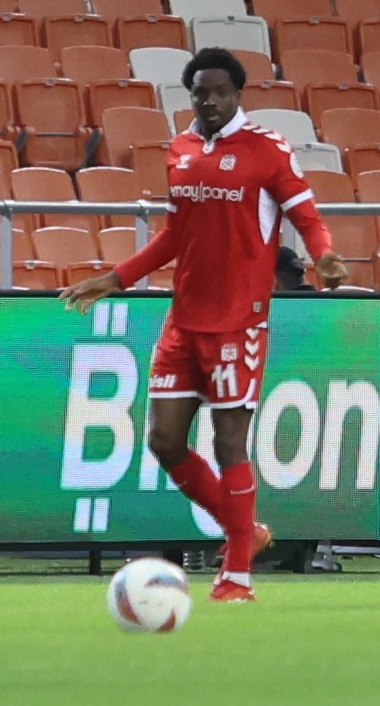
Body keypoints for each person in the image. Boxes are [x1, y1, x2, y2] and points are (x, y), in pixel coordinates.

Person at [59, 48, 348, 604]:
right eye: (200, 92)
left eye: (220, 91)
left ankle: (236, 574)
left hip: (238, 322)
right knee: (165, 442)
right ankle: (247, 532)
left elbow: (305, 215)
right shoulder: (181, 149)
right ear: (190, 96)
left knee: (228, 443)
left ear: (238, 94)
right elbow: (174, 236)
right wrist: (114, 279)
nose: (210, 100)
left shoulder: (267, 149)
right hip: (183, 320)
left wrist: (326, 256)